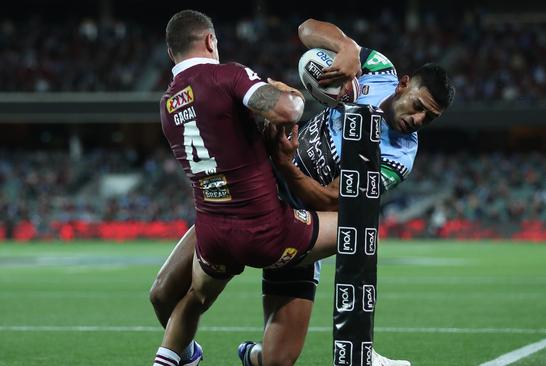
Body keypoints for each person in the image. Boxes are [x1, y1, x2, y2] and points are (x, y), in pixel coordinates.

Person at [150, 17, 455, 366]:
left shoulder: (399, 155)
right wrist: (347, 47)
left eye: (428, 119)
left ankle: (266, 354)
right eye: (418, 107)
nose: (417, 121)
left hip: (302, 224)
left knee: (277, 360)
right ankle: (187, 353)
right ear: (403, 84)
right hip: (252, 196)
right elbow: (307, 29)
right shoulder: (377, 72)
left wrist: (285, 165)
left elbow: (333, 200)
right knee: (162, 294)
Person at [152, 10, 341, 366]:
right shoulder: (228, 76)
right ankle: (362, 350)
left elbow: (222, 138)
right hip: (265, 229)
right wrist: (292, 94)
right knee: (361, 229)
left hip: (213, 234)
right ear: (210, 40)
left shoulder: (166, 105)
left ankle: (175, 359)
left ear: (170, 52)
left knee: (193, 299)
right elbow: (287, 110)